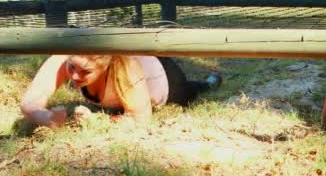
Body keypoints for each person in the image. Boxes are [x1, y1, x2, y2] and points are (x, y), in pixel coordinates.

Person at [20, 55, 222, 128]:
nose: (74, 77)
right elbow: (30, 102)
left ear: (105, 64)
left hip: (166, 79)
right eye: (72, 67)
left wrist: (98, 121)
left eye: (86, 71)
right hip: (134, 80)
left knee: (192, 91)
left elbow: (140, 120)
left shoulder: (126, 66)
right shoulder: (64, 58)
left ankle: (210, 82)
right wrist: (46, 117)